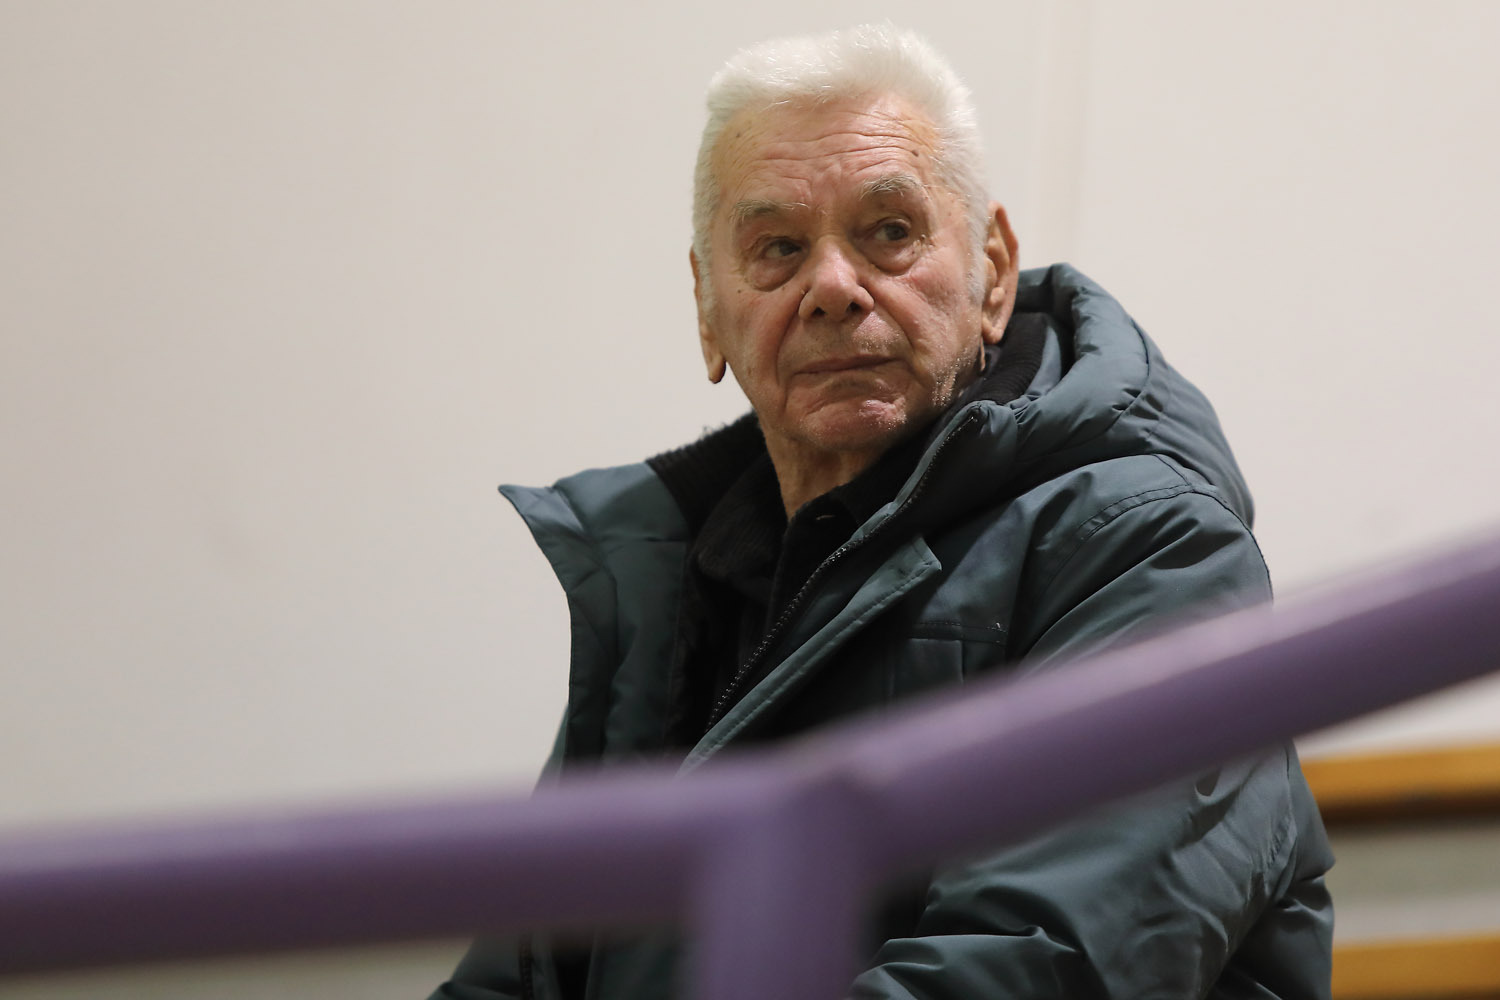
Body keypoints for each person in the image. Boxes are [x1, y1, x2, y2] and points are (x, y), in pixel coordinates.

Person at [433, 23, 1333, 1000]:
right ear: (706, 309)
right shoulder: (664, 579)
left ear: (993, 270)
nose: (831, 288)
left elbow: (1036, 964)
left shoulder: (1152, 551)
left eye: (890, 232)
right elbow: (517, 974)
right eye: (778, 248)